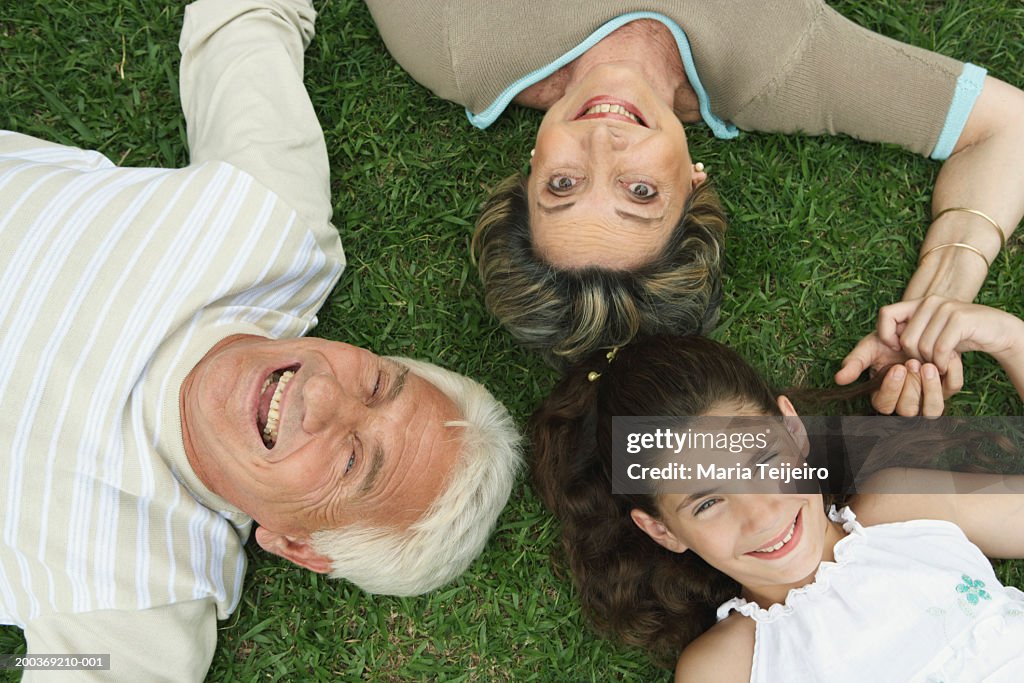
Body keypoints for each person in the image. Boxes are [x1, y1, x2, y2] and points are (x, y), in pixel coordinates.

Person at [0, 1, 520, 679]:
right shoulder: (271, 227)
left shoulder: (136, 604)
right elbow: (244, 17)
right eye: (376, 382)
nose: (323, 393)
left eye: (352, 462)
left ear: (298, 545)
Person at [364, 0, 1024, 401]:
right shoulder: (779, 69)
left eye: (563, 185)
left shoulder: (450, 36)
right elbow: (1007, 127)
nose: (604, 143)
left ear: (528, 168)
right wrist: (942, 296)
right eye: (640, 192)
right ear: (695, 182)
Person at [530, 300, 1024, 682]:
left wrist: (1010, 340)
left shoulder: (904, 510)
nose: (762, 514)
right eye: (707, 501)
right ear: (661, 530)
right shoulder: (728, 668)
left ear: (793, 431)